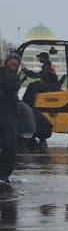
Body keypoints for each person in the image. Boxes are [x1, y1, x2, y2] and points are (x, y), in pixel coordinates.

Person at [1, 55, 21, 185]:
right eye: (11, 64)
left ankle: (4, 174)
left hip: (8, 118)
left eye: (16, 65)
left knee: (9, 148)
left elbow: (12, 86)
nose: (13, 67)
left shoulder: (12, 78)